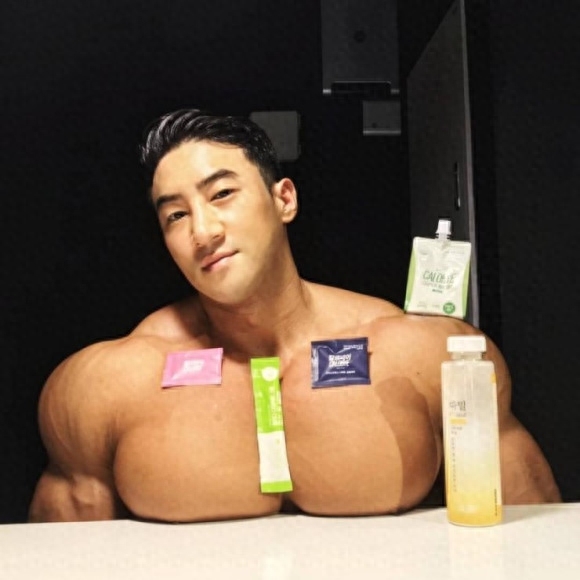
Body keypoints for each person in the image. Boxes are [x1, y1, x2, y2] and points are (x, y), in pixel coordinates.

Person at [29, 108, 561, 523]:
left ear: (284, 199)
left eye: (222, 194)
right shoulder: (105, 385)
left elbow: (535, 546)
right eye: (175, 215)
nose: (203, 231)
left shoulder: (426, 355)